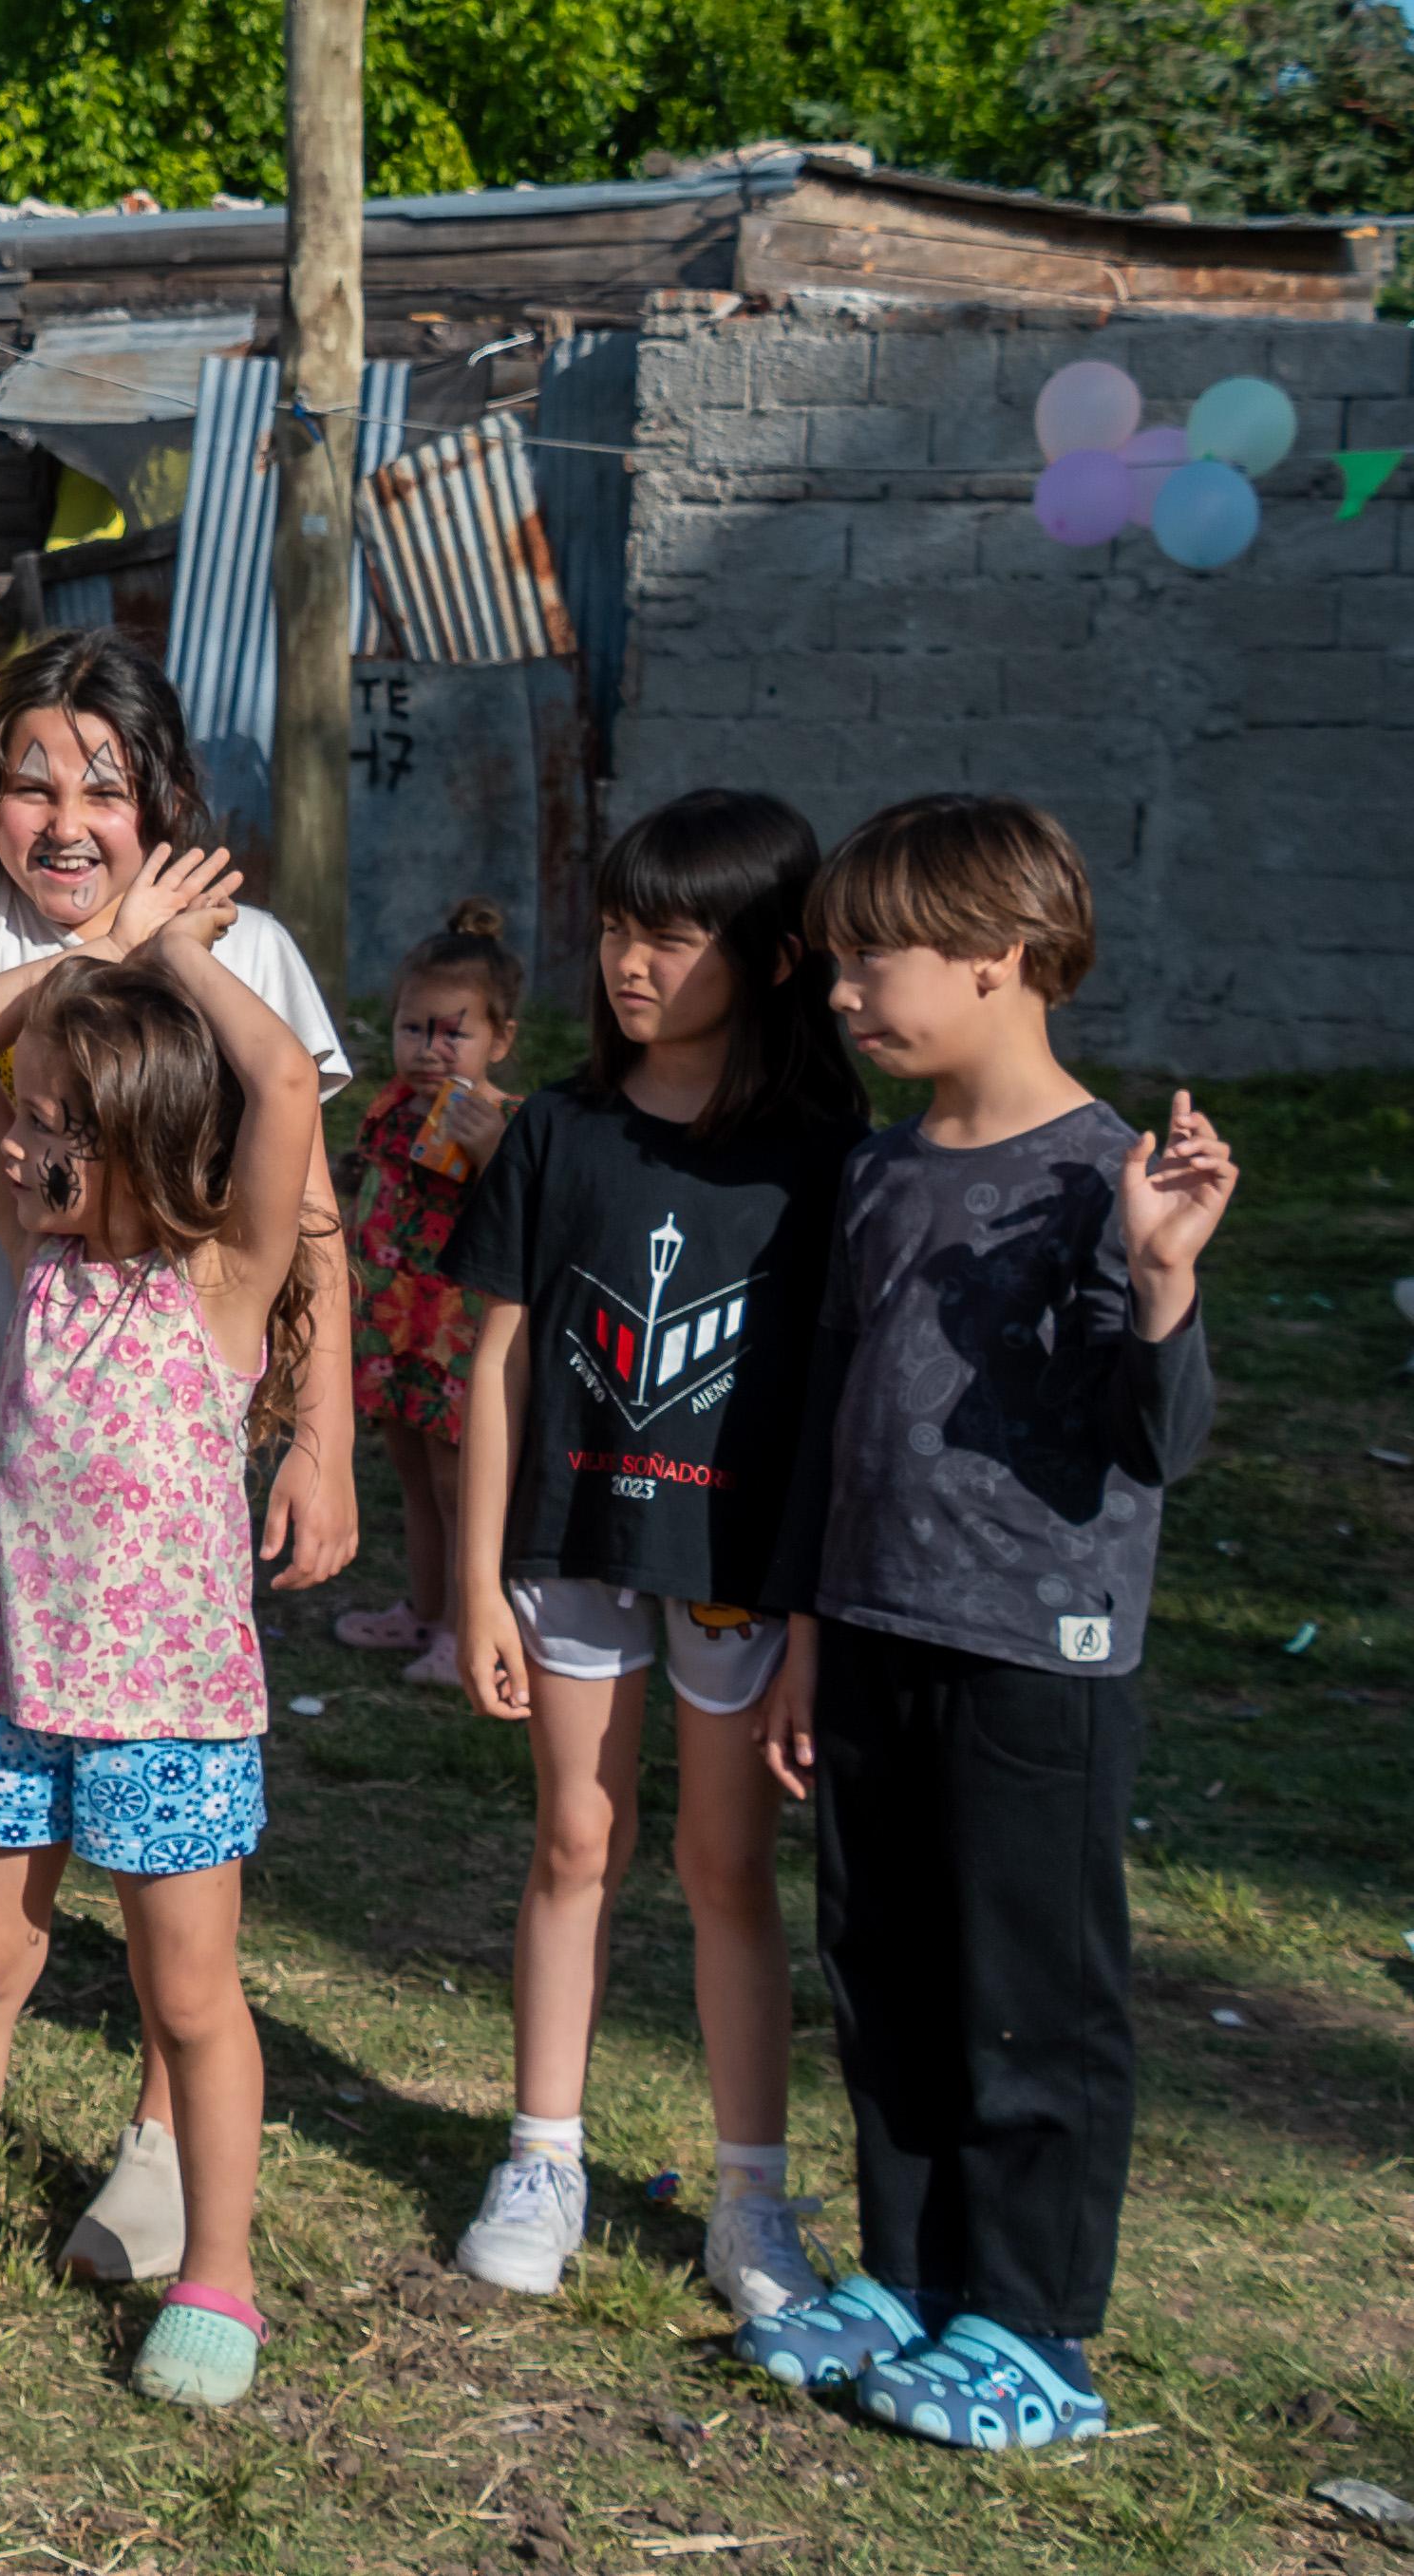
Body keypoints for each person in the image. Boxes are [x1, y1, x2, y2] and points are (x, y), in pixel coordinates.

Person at [0, 630, 355, 2283]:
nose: (65, 816)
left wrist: (322, 1432)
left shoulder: (239, 992)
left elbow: (292, 1148)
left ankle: (171, 2179)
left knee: (174, 1934)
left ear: (160, 792)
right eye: (30, 779)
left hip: (164, 1616)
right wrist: (111, 940)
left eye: (106, 785)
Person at [741, 797, 1234, 2454]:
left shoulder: (1109, 1177)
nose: (841, 991)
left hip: (1038, 1655)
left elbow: (1156, 1438)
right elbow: (831, 1412)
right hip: (872, 1627)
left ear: (999, 952)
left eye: (873, 956)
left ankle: (1032, 2323)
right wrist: (805, 1625)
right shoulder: (880, 1170)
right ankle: (905, 2269)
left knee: (1027, 1987)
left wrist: (1159, 1285)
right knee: (883, 1964)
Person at [443, 799, 859, 2319]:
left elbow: (831, 1404)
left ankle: (748, 2193)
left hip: (738, 1568)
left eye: (672, 934)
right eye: (618, 925)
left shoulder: (825, 1164)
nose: (631, 958)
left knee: (723, 1864)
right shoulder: (554, 1132)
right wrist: (473, 1576)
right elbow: (491, 1362)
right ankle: (540, 2155)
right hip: (569, 1548)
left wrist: (809, 1616)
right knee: (573, 1844)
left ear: (765, 958)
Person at [335, 902, 526, 1685]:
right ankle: (421, 1611)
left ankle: (464, 1626)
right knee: (411, 1475)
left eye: (454, 1033)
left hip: (458, 1335)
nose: (429, 1049)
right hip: (391, 1326)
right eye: (413, 1029)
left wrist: (492, 1158)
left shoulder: (502, 1125)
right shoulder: (388, 1107)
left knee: (458, 1484)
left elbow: (528, 1222)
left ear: (501, 1040)